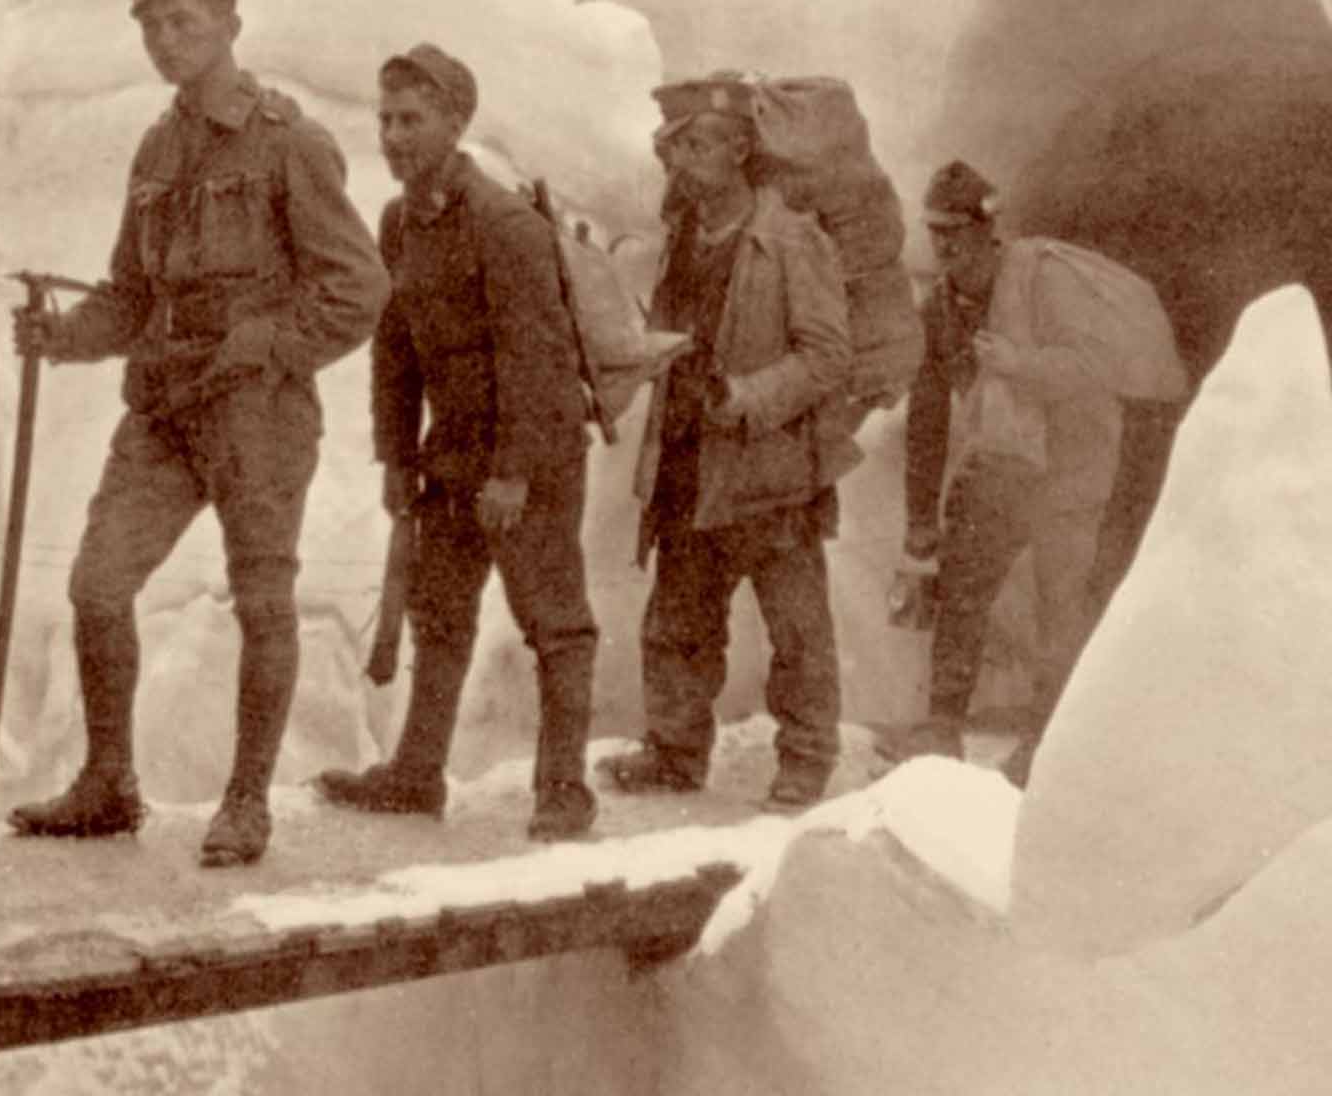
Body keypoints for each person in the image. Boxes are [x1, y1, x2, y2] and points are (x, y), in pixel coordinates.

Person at [8, 0, 389, 866]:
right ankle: (109, 784)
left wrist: (263, 343)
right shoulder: (156, 148)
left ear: (230, 24)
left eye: (183, 20)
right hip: (166, 411)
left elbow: (358, 289)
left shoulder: (289, 142)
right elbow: (131, 294)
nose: (166, 39)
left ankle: (248, 802)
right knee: (98, 587)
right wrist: (65, 337)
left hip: (258, 413)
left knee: (264, 602)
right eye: (150, 25)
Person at [313, 45, 601, 842]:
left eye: (413, 119)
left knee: (555, 624)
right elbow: (395, 349)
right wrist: (396, 458)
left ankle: (564, 789)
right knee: (439, 616)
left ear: (456, 122)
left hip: (531, 456)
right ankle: (416, 773)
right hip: (450, 457)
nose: (396, 136)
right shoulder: (401, 221)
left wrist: (512, 474)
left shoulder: (506, 223)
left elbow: (537, 363)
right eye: (386, 119)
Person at [876, 161, 1185, 786]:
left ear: (989, 230)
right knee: (961, 590)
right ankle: (940, 731)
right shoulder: (944, 305)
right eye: (936, 232)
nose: (945, 246)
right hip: (1002, 467)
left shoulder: (1045, 281)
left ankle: (1049, 747)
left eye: (957, 231)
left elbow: (1096, 370)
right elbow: (929, 412)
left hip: (1072, 469)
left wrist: (1018, 363)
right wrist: (918, 522)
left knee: (1060, 607)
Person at [598, 73, 858, 813]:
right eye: (676, 146)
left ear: (742, 148)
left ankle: (806, 762)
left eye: (700, 143)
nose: (684, 160)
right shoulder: (683, 237)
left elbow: (828, 357)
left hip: (770, 473)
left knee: (797, 628)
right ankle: (676, 753)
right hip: (687, 464)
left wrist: (744, 398)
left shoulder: (790, 241)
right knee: (678, 621)